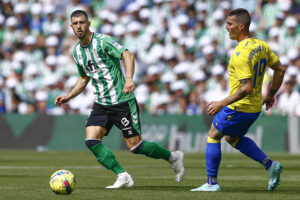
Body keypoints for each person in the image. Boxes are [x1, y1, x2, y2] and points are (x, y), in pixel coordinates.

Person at [54, 10, 184, 189]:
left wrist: (129, 78)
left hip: (122, 101)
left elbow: (127, 55)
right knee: (91, 141)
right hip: (101, 103)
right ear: (71, 26)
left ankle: (174, 157)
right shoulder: (77, 52)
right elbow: (84, 78)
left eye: (82, 22)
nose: (79, 26)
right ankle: (123, 175)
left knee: (135, 146)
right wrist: (68, 96)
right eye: (75, 24)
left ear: (89, 23)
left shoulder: (102, 41)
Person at [191, 8, 286, 192]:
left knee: (213, 134)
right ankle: (269, 165)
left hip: (239, 107)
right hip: (254, 108)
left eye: (230, 24)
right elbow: (280, 69)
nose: (226, 27)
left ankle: (211, 184)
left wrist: (221, 103)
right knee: (232, 138)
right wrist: (271, 94)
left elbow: (246, 88)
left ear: (241, 26)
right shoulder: (261, 45)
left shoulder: (240, 54)